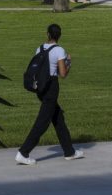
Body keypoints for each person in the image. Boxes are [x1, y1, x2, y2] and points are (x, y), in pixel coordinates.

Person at [16, 23, 84, 165]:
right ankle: (23, 152)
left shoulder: (39, 48)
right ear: (59, 36)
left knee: (58, 118)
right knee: (43, 122)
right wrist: (69, 63)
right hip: (51, 87)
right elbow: (63, 74)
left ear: (47, 34)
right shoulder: (60, 50)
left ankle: (69, 151)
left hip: (40, 88)